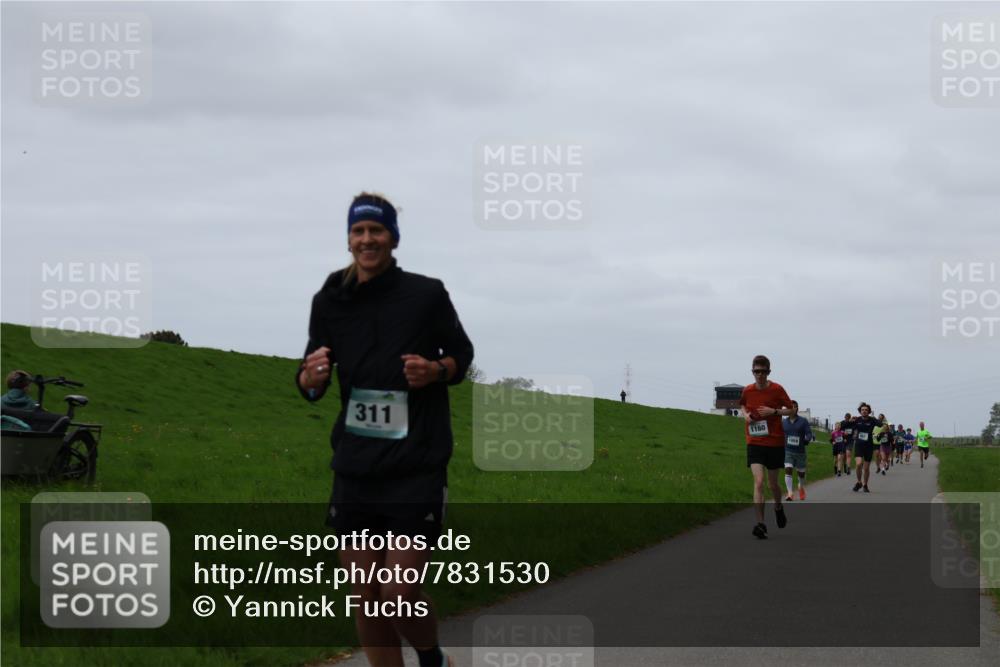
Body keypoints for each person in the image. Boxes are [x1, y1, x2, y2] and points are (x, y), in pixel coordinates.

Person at [296, 192, 473, 667]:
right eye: (358, 231)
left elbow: (462, 355)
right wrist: (310, 379)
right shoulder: (330, 299)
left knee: (397, 591)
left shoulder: (426, 295)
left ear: (393, 238)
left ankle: (432, 658)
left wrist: (435, 371)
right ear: (348, 239)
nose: (367, 239)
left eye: (376, 230)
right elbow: (311, 374)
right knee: (366, 595)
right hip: (356, 465)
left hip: (416, 463)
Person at [739, 355, 792, 539]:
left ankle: (778, 507)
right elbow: (743, 405)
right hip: (754, 442)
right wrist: (745, 415)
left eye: (763, 372)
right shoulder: (748, 390)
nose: (759, 375)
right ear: (752, 372)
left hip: (775, 442)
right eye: (756, 371)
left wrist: (774, 411)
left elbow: (791, 409)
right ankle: (760, 523)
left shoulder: (777, 389)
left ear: (768, 372)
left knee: (772, 484)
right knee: (759, 482)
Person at [782, 400, 814, 500]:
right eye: (790, 407)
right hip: (788, 450)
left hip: (800, 451)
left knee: (801, 474)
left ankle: (801, 486)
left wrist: (807, 439)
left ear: (797, 409)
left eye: (795, 406)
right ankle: (790, 493)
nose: (793, 408)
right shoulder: (784, 422)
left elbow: (809, 433)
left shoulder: (803, 421)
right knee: (788, 469)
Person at [851, 403, 880, 493]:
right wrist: (850, 421)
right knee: (859, 464)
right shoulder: (857, 420)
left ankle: (865, 484)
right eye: (862, 410)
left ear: (869, 411)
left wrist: (874, 418)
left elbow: (880, 425)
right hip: (859, 445)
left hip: (869, 446)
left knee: (866, 468)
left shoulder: (872, 420)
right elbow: (847, 426)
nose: (864, 411)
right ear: (860, 411)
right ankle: (859, 482)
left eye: (866, 410)